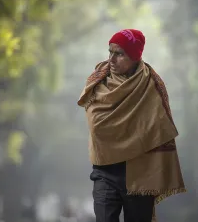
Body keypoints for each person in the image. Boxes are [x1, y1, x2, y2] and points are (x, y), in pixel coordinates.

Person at [77, 29, 186, 222]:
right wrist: (134, 136)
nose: (111, 59)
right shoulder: (99, 81)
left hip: (141, 174)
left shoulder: (151, 85)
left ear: (135, 57)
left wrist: (128, 134)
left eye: (119, 54)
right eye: (110, 52)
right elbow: (98, 128)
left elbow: (158, 129)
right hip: (105, 171)